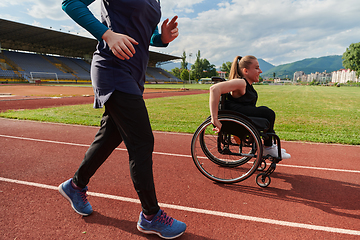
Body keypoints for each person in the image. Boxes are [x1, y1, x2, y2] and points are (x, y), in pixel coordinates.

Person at [58, 0, 186, 239]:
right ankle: (151, 215)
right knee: (142, 141)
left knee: (110, 136)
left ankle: (75, 186)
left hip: (134, 74)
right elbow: (70, 3)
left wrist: (162, 39)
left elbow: (144, 34)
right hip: (112, 69)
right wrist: (107, 35)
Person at [209, 55, 291, 159]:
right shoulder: (241, 82)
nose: (260, 71)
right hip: (236, 116)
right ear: (245, 71)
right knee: (268, 113)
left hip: (242, 114)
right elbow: (214, 89)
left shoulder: (247, 84)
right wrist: (214, 118)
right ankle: (268, 147)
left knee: (266, 113)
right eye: (256, 68)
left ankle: (270, 146)